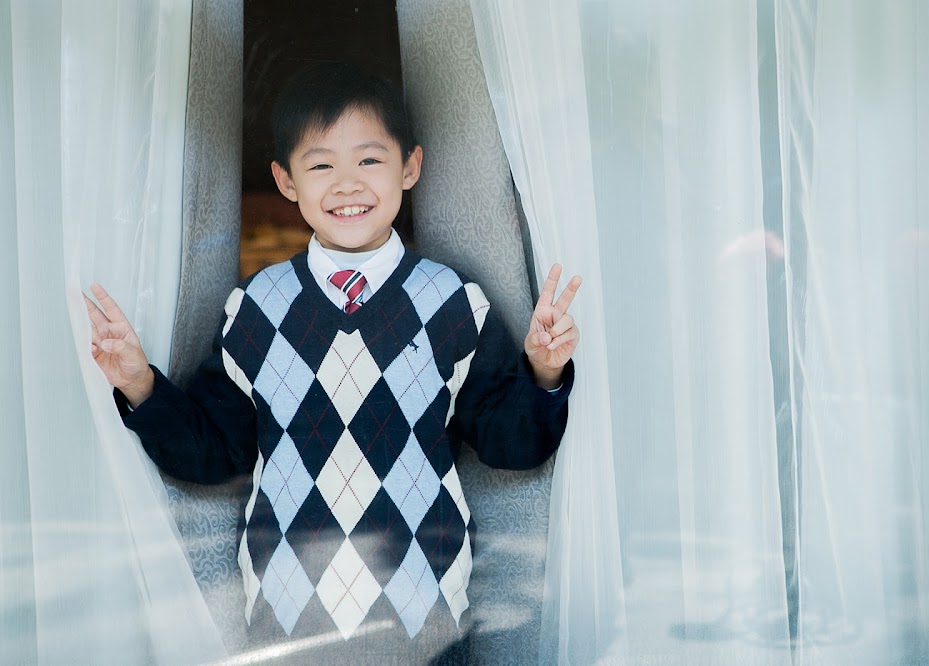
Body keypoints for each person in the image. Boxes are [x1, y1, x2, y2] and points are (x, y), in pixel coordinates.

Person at [84, 63, 581, 658]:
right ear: (287, 181)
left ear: (410, 167)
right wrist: (141, 386)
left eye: (369, 161)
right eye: (321, 165)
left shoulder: (451, 301)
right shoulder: (256, 308)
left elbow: (512, 444)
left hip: (427, 612)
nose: (347, 185)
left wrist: (545, 372)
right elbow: (214, 451)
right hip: (289, 614)